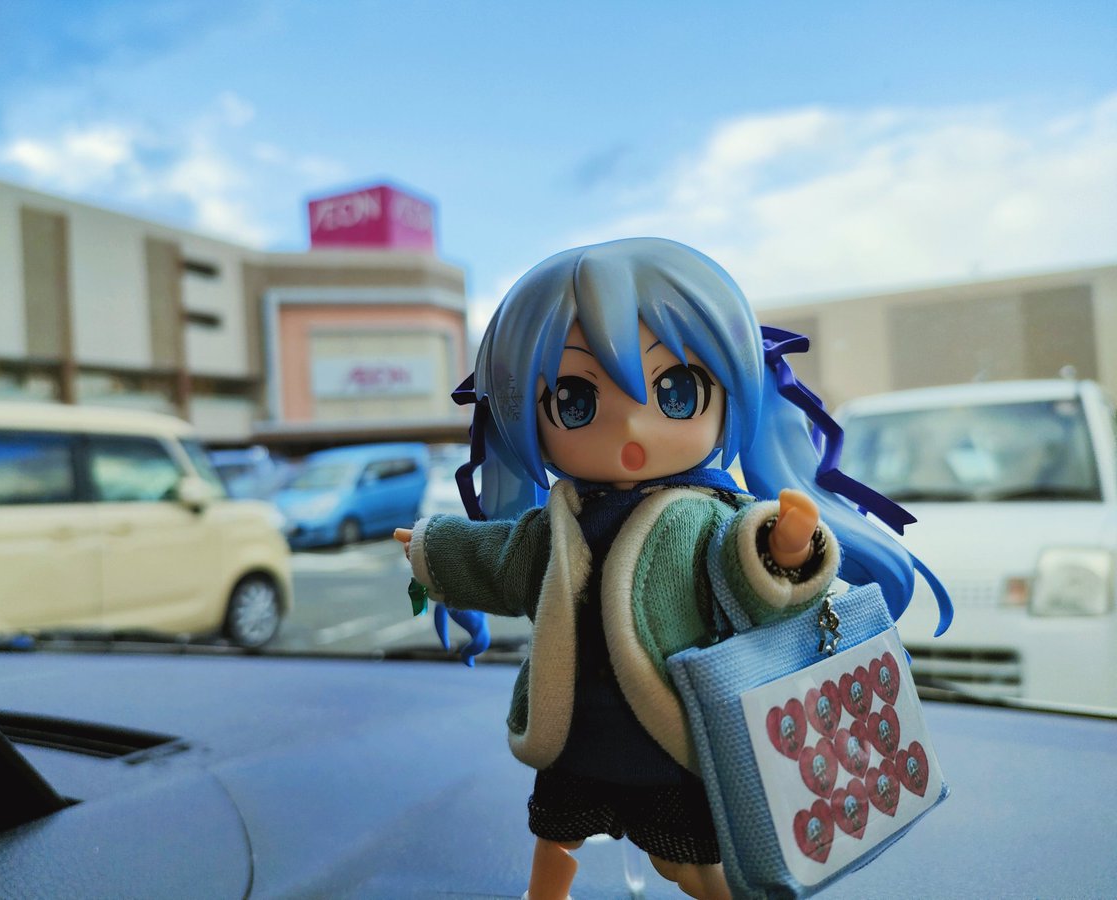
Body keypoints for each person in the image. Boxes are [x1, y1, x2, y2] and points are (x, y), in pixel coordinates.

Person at [395, 237, 946, 900]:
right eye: (574, 400)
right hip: (576, 726)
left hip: (672, 734)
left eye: (675, 391)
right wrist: (433, 548)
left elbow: (743, 576)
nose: (631, 428)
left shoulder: (709, 517)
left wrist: (785, 551)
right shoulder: (559, 524)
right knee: (555, 833)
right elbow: (504, 562)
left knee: (691, 858)